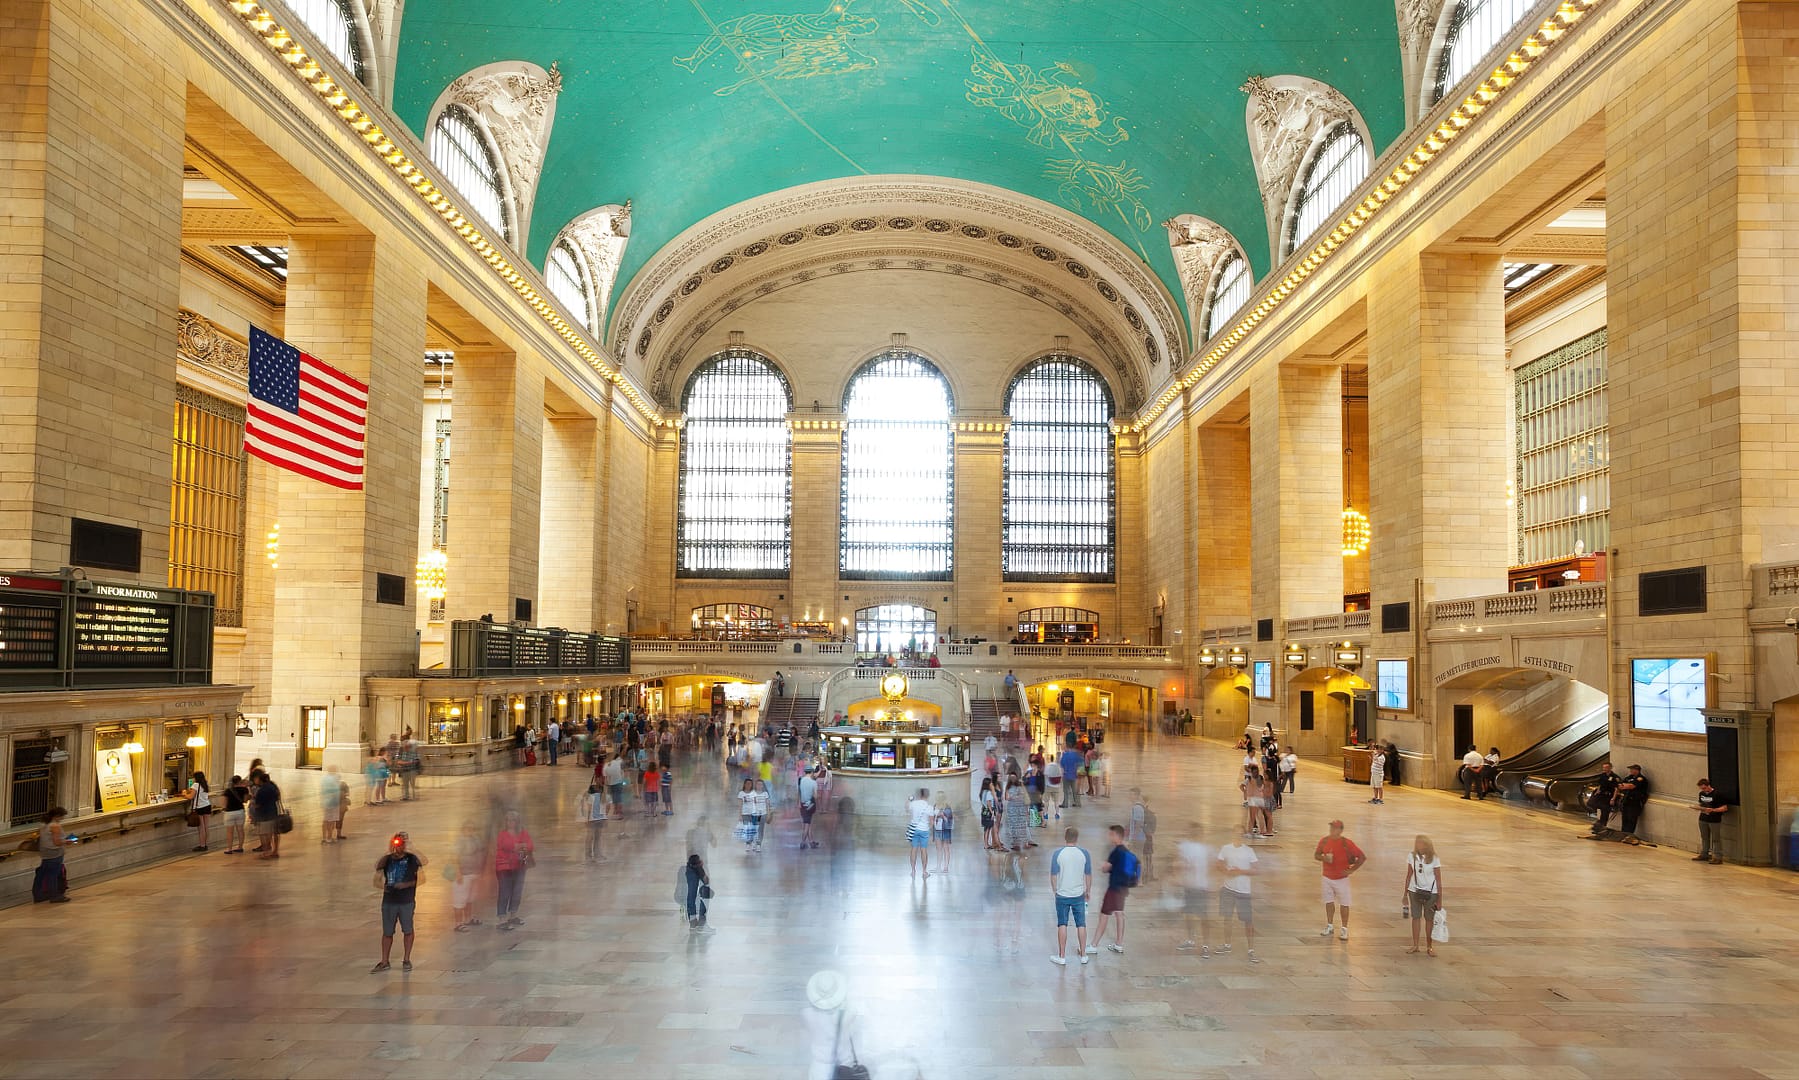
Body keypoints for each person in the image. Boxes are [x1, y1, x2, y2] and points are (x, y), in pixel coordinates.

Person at [370, 831, 425, 972]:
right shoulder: (387, 859)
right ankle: (384, 961)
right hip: (389, 901)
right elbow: (377, 872)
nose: (398, 846)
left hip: (406, 901)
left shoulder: (412, 858)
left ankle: (406, 959)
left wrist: (406, 885)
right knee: (387, 932)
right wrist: (385, 886)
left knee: (408, 929)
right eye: (397, 843)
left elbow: (423, 867)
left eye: (401, 843)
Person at [1314, 819, 1366, 941]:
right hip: (1327, 877)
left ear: (1340, 830)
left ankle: (1344, 928)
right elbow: (1316, 855)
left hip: (1341, 879)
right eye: (1331, 827)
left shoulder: (1346, 843)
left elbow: (1362, 857)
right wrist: (1324, 858)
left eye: (1335, 828)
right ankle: (1330, 925)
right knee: (1329, 901)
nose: (1332, 830)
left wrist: (1352, 870)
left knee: (1344, 904)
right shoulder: (1324, 841)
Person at [1089, 824, 1137, 955]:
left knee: (1104, 915)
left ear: (1117, 835)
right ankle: (1119, 943)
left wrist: (1102, 866)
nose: (1109, 837)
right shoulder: (1126, 851)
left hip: (1114, 888)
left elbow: (1106, 868)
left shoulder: (1116, 852)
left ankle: (1093, 945)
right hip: (1123, 888)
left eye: (1111, 834)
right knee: (1119, 914)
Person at [1048, 827, 1092, 966]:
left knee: (1062, 923)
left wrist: (1055, 890)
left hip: (1062, 894)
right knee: (1081, 924)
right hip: (1078, 894)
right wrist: (1088, 890)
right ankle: (1084, 955)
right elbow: (1088, 874)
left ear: (1065, 837)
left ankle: (1062, 956)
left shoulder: (1058, 854)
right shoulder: (1084, 853)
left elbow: (1053, 875)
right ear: (1077, 838)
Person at [1216, 836, 1260, 963]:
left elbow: (1256, 870)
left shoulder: (1249, 851)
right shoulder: (1226, 848)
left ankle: (1251, 949)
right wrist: (1226, 871)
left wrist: (1240, 871)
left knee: (1248, 921)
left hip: (1243, 891)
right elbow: (1218, 864)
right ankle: (1227, 944)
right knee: (1227, 918)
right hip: (1228, 889)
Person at [1402, 834, 1443, 957]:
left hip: (1431, 892)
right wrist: (1405, 893)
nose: (1418, 845)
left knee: (1429, 919)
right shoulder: (1412, 856)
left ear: (1427, 845)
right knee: (1416, 917)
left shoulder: (1435, 858)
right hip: (1414, 890)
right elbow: (1409, 875)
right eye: (1417, 843)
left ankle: (1429, 946)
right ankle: (1415, 945)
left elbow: (1439, 879)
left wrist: (1440, 899)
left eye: (1420, 843)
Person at [1176, 839, 1217, 957]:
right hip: (1190, 887)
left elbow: (1213, 866)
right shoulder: (1187, 847)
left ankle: (1206, 946)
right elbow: (1181, 864)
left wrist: (1212, 883)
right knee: (1188, 914)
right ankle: (1190, 940)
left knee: (1203, 917)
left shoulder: (1207, 849)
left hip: (1201, 888)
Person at [494, 809, 534, 930]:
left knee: (517, 892)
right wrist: (520, 845)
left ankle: (513, 915)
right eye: (509, 820)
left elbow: (531, 845)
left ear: (517, 822)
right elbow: (506, 845)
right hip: (504, 867)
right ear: (505, 822)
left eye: (513, 820)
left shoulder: (523, 833)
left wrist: (519, 846)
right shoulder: (502, 834)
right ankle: (502, 918)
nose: (511, 823)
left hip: (519, 866)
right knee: (504, 892)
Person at [31, 806, 74, 903]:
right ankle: (54, 896)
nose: (62, 819)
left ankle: (38, 895)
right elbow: (57, 842)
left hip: (45, 853)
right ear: (57, 816)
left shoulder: (44, 825)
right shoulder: (55, 826)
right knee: (53, 875)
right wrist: (67, 841)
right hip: (55, 853)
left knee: (41, 874)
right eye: (62, 817)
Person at [451, 821, 484, 931]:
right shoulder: (459, 841)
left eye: (472, 828)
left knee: (470, 898)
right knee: (459, 899)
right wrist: (458, 872)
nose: (470, 831)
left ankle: (468, 919)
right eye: (468, 828)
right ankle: (458, 923)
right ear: (463, 829)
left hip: (474, 873)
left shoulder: (475, 839)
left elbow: (480, 852)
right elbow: (454, 857)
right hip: (462, 874)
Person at [1694, 778, 1730, 863]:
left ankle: (1718, 857)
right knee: (1704, 837)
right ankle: (1705, 854)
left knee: (1716, 838)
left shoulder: (1717, 794)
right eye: (1701, 789)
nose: (1703, 790)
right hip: (1703, 818)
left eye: (1704, 788)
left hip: (1714, 819)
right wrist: (1698, 808)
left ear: (1708, 786)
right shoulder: (1701, 794)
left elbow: (1724, 808)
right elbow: (1701, 804)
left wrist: (1713, 810)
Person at [250, 769, 281, 859]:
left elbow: (258, 804)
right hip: (274, 812)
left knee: (265, 833)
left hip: (264, 814)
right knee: (274, 833)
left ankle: (267, 852)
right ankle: (275, 851)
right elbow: (277, 798)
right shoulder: (273, 787)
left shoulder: (262, 790)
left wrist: (252, 801)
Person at [1617, 764, 1652, 844]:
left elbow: (1631, 786)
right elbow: (1620, 786)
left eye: (1632, 769)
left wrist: (1625, 786)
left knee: (1631, 819)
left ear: (1637, 770)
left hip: (1635, 802)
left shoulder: (1641, 779)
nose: (1630, 771)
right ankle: (1624, 835)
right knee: (1625, 819)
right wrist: (1625, 786)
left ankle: (1629, 836)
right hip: (1626, 801)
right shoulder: (1628, 778)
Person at [681, 853, 713, 933]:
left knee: (694, 894)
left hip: (696, 862)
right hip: (696, 862)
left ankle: (695, 922)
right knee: (699, 895)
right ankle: (698, 923)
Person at [1588, 761, 1623, 834]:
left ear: (1610, 768)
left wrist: (1613, 798)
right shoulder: (1603, 775)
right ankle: (1598, 822)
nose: (1604, 769)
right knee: (1590, 803)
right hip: (1601, 795)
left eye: (1606, 767)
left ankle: (1601, 828)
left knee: (1605, 813)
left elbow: (1617, 789)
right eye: (1603, 767)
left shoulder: (1615, 777)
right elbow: (1600, 784)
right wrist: (1598, 791)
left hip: (1608, 796)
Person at [906, 787, 934, 875]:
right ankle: (924, 871)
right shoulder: (929, 807)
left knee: (913, 849)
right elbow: (932, 822)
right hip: (924, 830)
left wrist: (910, 799)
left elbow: (907, 808)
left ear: (919, 795)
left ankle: (913, 871)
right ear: (927, 795)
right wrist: (928, 827)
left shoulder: (914, 804)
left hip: (914, 830)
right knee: (924, 850)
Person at [184, 771, 212, 852]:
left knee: (201, 828)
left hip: (200, 808)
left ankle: (202, 845)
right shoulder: (205, 785)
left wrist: (184, 794)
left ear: (196, 778)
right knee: (206, 827)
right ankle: (206, 844)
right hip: (207, 806)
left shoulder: (195, 785)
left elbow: (191, 797)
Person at [221, 774, 249, 854]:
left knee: (230, 832)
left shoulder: (228, 791)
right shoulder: (245, 790)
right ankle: (240, 847)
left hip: (229, 812)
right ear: (240, 781)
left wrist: (224, 808)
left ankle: (229, 849)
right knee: (240, 830)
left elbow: (224, 803)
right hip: (240, 811)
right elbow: (245, 800)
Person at [580, 781, 608, 862]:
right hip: (596, 820)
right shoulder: (602, 797)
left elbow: (589, 809)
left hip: (594, 819)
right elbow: (605, 809)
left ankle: (593, 855)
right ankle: (594, 855)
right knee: (594, 838)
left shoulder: (597, 797)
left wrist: (587, 819)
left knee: (593, 838)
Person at [797, 766, 820, 849]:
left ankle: (811, 842)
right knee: (807, 824)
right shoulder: (813, 782)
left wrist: (799, 802)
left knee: (808, 823)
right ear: (811, 772)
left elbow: (799, 792)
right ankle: (802, 842)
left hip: (802, 805)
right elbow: (815, 796)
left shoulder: (801, 780)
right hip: (810, 805)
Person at [319, 767, 342, 845]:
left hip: (325, 802)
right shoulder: (333, 779)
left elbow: (322, 790)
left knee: (325, 820)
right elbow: (335, 790)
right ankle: (329, 838)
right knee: (331, 820)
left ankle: (324, 837)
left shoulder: (324, 778)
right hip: (333, 802)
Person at [930, 791, 953, 871]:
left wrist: (942, 815)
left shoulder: (947, 807)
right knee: (938, 849)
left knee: (945, 848)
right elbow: (932, 817)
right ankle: (938, 866)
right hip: (937, 830)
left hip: (945, 830)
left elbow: (948, 819)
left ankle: (946, 867)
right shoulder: (934, 806)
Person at [1058, 743, 1084, 808]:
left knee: (1066, 790)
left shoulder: (1064, 755)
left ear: (1066, 747)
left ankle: (1065, 804)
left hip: (1066, 775)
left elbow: (1061, 764)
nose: (1062, 748)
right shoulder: (1075, 755)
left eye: (1063, 747)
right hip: (1074, 775)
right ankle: (1077, 803)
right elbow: (1081, 761)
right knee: (1074, 790)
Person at [604, 753, 627, 819]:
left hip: (611, 784)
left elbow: (606, 777)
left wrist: (606, 784)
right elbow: (623, 773)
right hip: (619, 783)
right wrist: (624, 783)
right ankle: (618, 813)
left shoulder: (607, 765)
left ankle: (613, 812)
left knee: (612, 799)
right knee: (618, 798)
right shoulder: (619, 763)